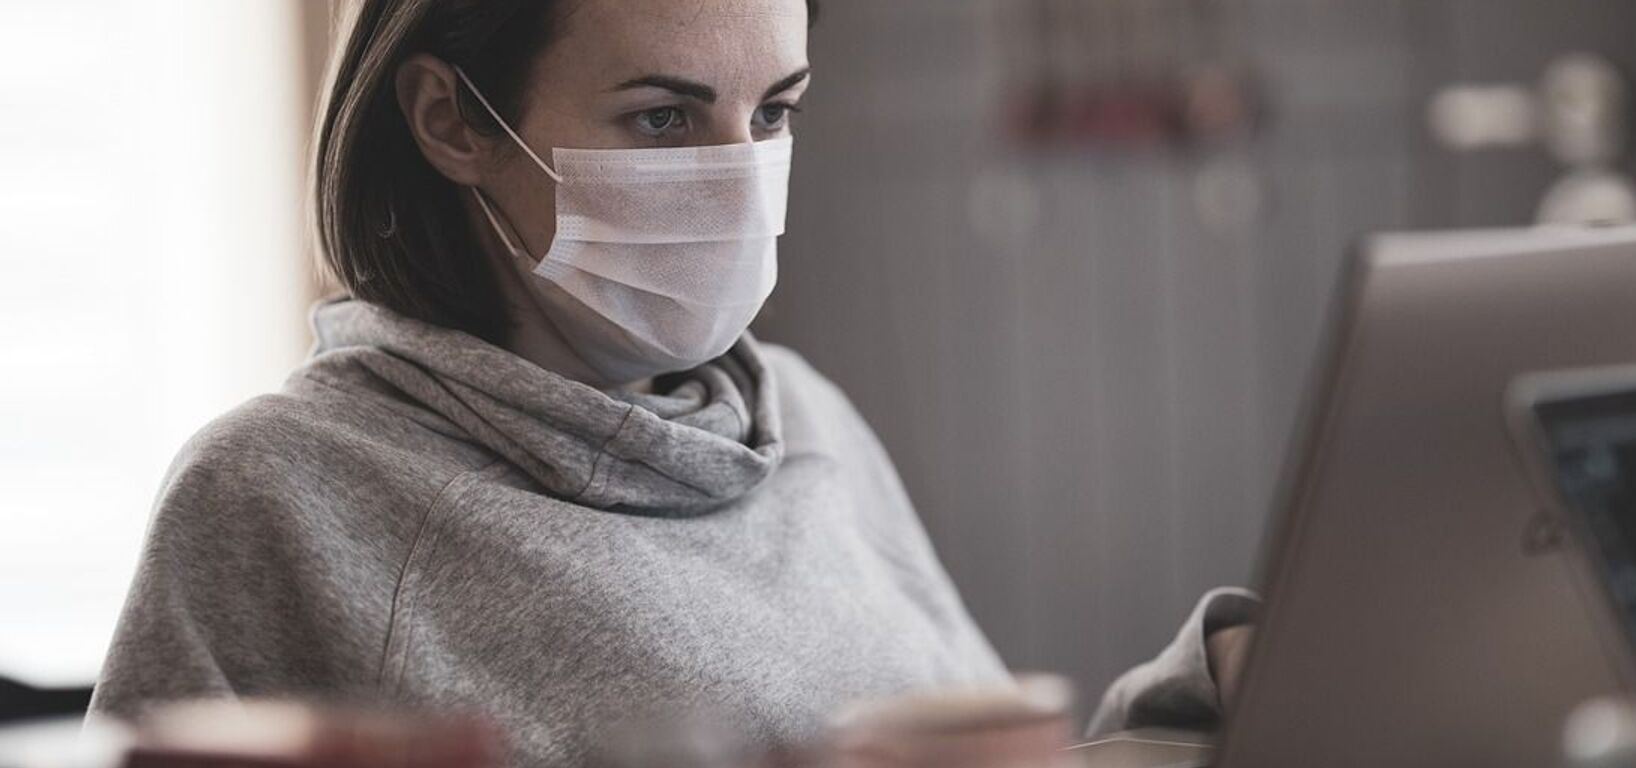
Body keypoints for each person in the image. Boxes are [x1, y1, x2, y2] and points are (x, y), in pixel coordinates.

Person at [89, 0, 1257, 763]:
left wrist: (1198, 694)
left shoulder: (806, 419)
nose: (742, 184)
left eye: (776, 113)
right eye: (661, 118)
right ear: (452, 121)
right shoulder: (281, 495)